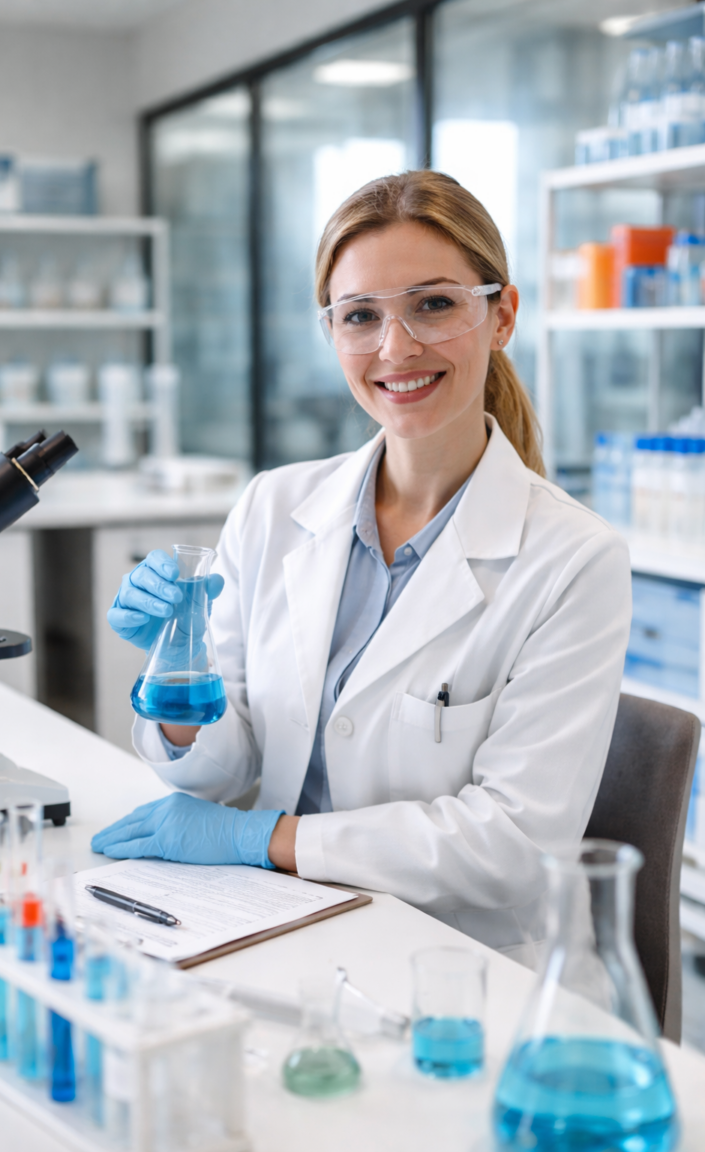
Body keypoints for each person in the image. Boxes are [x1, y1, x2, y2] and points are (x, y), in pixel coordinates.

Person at [93, 170, 631, 965]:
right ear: (332, 333)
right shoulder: (275, 507)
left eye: (434, 304)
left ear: (502, 315)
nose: (396, 347)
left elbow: (515, 841)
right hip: (273, 923)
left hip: (461, 965)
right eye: (361, 317)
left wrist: (264, 838)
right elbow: (224, 765)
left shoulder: (573, 559)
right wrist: (180, 677)